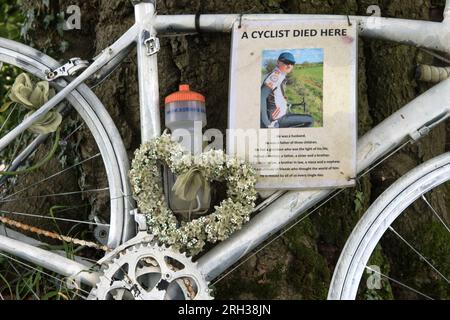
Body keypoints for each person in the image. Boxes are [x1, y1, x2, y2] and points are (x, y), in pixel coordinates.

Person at [261, 52, 296, 128]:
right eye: (286, 62)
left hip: (278, 118)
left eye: (292, 63)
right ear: (278, 62)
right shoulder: (276, 75)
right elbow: (262, 96)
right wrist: (266, 122)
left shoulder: (281, 75)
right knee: (310, 120)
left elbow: (273, 94)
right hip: (275, 121)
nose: (289, 65)